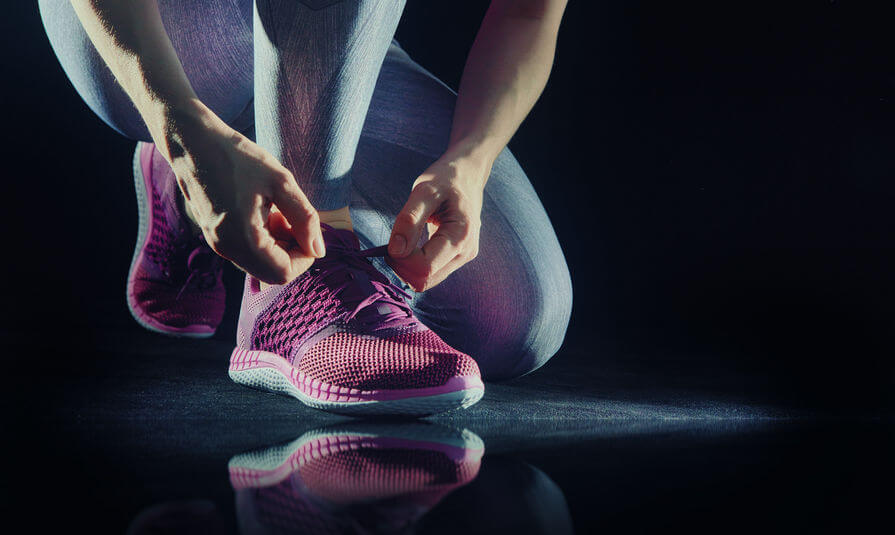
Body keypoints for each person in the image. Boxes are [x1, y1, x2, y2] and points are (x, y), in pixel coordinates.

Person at [39, 0, 573, 415]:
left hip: (324, 41)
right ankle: (290, 285)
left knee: (515, 319)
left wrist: (471, 159)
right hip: (155, 30)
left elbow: (528, 12)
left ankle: (286, 194)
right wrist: (178, 129)